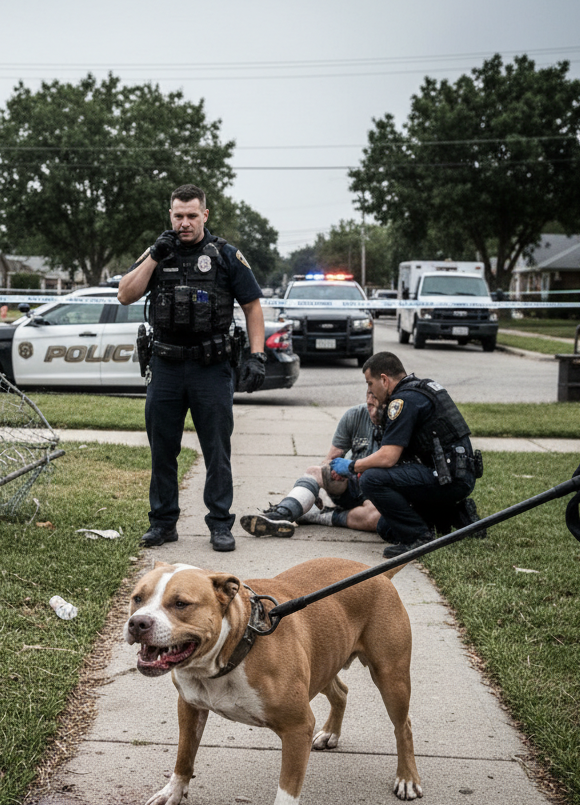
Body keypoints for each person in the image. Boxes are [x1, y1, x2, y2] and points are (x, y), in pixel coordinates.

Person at [117, 183, 266, 552]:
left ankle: (220, 524)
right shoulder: (157, 252)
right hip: (166, 366)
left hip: (211, 367)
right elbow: (125, 294)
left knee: (217, 450)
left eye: (192, 216)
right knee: (162, 450)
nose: (184, 223)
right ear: (170, 215)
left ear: (205, 215)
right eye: (178, 215)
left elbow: (252, 306)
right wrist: (154, 256)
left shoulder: (226, 255)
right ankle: (162, 523)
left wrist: (257, 355)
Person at [331, 351, 480, 558]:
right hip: (454, 475)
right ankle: (455, 516)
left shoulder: (401, 401)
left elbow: (388, 457)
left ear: (384, 380)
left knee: (371, 479)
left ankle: (418, 538)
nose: (370, 390)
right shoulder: (422, 389)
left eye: (370, 383)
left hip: (448, 479)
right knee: (386, 528)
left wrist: (351, 466)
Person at [241, 392, 384, 537]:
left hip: (379, 492)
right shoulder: (356, 414)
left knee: (377, 518)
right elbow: (330, 460)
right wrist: (334, 471)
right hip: (353, 485)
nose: (369, 401)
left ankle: (321, 516)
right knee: (316, 471)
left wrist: (355, 467)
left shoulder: (396, 420)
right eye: (368, 394)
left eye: (374, 397)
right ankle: (281, 514)